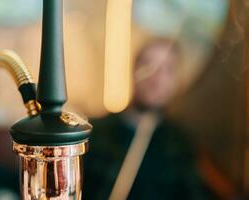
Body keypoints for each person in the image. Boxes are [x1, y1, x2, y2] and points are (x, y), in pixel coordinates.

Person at [83, 39, 215, 200]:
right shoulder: (94, 134)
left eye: (167, 69)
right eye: (149, 66)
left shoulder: (181, 145)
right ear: (133, 70)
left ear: (176, 81)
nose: (157, 78)